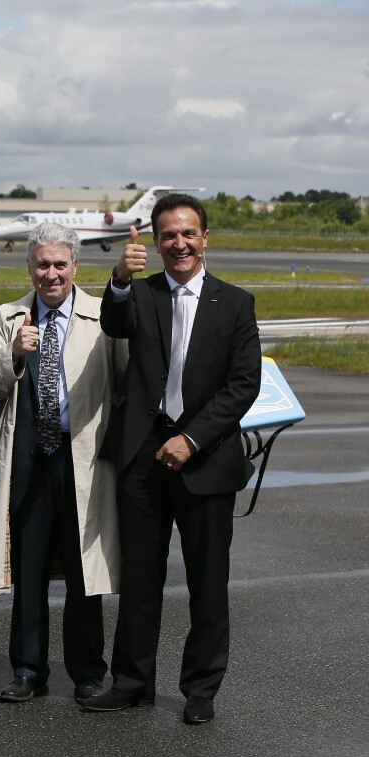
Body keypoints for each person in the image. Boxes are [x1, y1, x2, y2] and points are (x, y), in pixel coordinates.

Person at [80, 194, 260, 724]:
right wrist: (118, 276)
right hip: (144, 456)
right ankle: (132, 681)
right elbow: (114, 323)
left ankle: (200, 689)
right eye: (168, 236)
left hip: (205, 459)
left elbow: (242, 384)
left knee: (208, 579)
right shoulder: (143, 295)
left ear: (205, 239)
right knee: (139, 578)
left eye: (188, 234)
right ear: (155, 243)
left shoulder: (236, 303)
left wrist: (194, 438)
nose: (179, 244)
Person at [0, 221, 125, 705]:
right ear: (29, 266)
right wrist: (12, 355)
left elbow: (124, 379)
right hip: (29, 460)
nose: (51, 274)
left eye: (61, 264)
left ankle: (86, 671)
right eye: (42, 264)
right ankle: (29, 670)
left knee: (84, 572)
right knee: (29, 568)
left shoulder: (103, 318)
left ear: (76, 266)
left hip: (81, 461)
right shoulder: (7, 316)